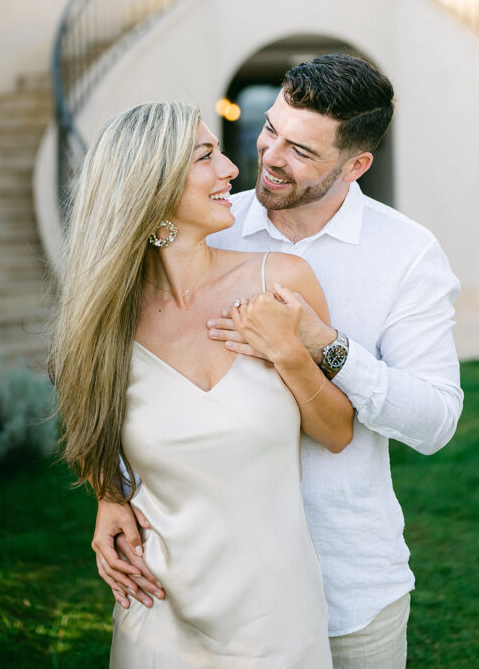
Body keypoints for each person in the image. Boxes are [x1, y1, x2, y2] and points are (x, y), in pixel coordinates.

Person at [93, 55, 463, 669]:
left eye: (301, 151)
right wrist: (112, 491)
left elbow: (435, 422)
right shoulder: (208, 224)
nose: (268, 157)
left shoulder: (407, 255)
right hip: (203, 581)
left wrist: (325, 345)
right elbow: (123, 375)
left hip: (349, 585)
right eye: (271, 130)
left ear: (356, 165)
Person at [49, 100, 354, 669]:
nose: (232, 170)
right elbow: (89, 426)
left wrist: (288, 352)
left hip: (278, 617)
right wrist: (108, 497)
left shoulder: (279, 280)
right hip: (155, 612)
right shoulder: (106, 320)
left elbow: (337, 433)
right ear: (153, 186)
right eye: (205, 156)